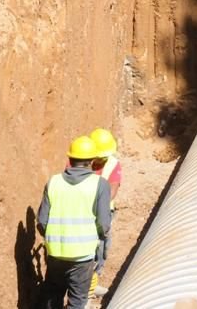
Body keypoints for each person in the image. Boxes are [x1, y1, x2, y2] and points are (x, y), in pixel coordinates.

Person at [36, 135, 112, 309]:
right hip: (82, 256)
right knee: (77, 301)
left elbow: (42, 222)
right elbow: (104, 224)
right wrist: (98, 238)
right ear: (92, 161)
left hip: (55, 254)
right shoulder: (99, 185)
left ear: (70, 159)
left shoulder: (53, 182)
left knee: (52, 297)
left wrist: (55, 240)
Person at [86, 127, 121, 299]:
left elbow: (113, 189)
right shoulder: (81, 160)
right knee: (86, 250)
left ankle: (92, 284)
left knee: (101, 247)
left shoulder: (113, 164)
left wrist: (99, 209)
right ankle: (84, 289)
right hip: (83, 212)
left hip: (103, 212)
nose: (104, 158)